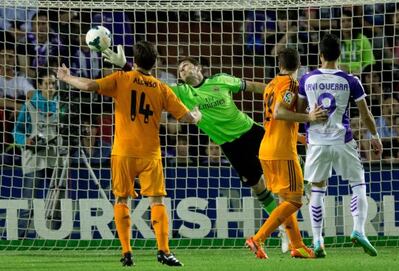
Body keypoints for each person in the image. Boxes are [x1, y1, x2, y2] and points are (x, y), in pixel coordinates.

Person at [103, 45, 291, 252]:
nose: (182, 70)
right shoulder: (182, 92)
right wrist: (126, 66)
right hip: (230, 146)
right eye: (180, 70)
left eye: (186, 66)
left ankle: (306, 183)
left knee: (286, 159)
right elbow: (149, 84)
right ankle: (285, 229)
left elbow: (253, 86)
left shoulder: (221, 80)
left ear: (199, 68)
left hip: (251, 131)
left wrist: (278, 93)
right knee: (259, 188)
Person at [57, 41, 201, 267]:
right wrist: (196, 116)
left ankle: (126, 251)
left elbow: (88, 86)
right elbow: (186, 119)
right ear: (155, 63)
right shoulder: (161, 88)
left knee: (121, 199)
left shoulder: (121, 79)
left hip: (123, 151)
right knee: (157, 201)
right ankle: (163, 251)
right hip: (150, 153)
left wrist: (66, 77)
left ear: (135, 61)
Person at [297, 33, 383, 257]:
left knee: (317, 189)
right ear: (339, 55)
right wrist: (375, 137)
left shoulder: (307, 79)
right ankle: (358, 230)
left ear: (320, 55)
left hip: (316, 142)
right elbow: (365, 114)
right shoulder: (350, 80)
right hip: (342, 140)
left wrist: (308, 118)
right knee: (358, 183)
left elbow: (298, 111)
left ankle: (317, 241)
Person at [245, 48, 327, 259]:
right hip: (282, 152)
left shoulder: (271, 85)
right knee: (296, 200)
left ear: (279, 65)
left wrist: (298, 137)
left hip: (268, 148)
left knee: (285, 200)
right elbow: (280, 112)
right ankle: (258, 238)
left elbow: (275, 120)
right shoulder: (290, 85)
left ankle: (297, 245)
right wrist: (309, 117)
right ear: (298, 65)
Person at [12, 69, 60, 237]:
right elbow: (16, 131)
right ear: (39, 86)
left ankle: (56, 237)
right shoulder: (30, 104)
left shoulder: (62, 106)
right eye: (46, 83)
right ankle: (21, 237)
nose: (50, 87)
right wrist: (25, 141)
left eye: (53, 83)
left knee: (57, 202)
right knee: (28, 200)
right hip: (35, 157)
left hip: (56, 158)